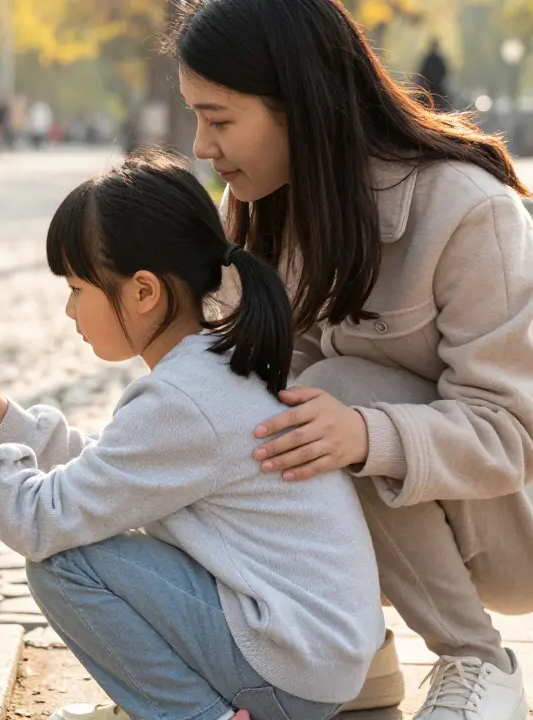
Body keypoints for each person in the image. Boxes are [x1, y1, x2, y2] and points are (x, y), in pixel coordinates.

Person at [0, 149, 385, 720]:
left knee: (64, 563)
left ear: (143, 291)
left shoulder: (183, 399)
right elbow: (115, 477)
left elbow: (41, 522)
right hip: (308, 659)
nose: (68, 310)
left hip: (288, 673)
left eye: (78, 289)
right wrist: (0, 419)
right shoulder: (210, 367)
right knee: (81, 543)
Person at [172, 1, 533, 718]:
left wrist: (369, 435)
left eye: (219, 120)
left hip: (508, 525)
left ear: (301, 107)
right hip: (405, 518)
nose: (202, 145)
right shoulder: (269, 206)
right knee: (248, 399)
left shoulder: (467, 211)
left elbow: (513, 434)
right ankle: (348, 649)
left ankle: (477, 660)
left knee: (332, 399)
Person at [417, 37, 451, 110]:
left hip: (429, 86)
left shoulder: (428, 58)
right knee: (447, 100)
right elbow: (445, 72)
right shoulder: (439, 59)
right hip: (437, 86)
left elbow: (422, 72)